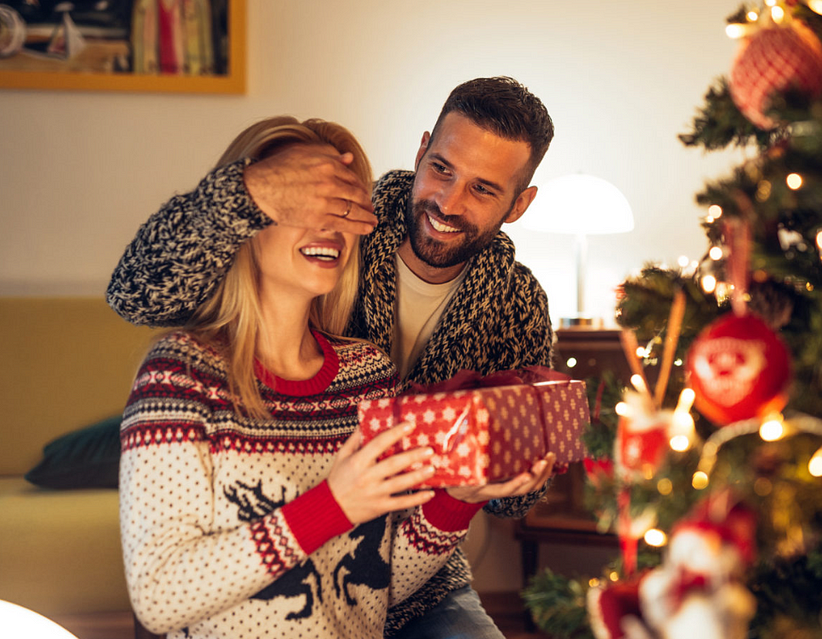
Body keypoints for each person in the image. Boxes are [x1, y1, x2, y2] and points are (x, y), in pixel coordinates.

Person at [108, 76, 558, 638]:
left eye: (483, 189)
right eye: (442, 168)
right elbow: (136, 293)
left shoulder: (506, 306)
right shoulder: (347, 219)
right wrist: (247, 192)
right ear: (421, 151)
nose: (448, 201)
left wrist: (479, 478)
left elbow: (384, 566)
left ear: (518, 204)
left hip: (400, 572)